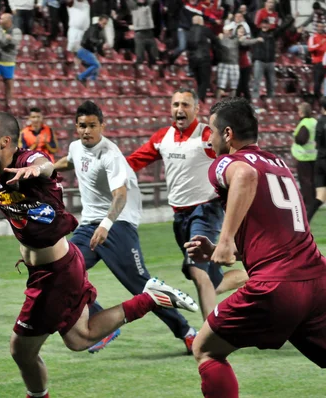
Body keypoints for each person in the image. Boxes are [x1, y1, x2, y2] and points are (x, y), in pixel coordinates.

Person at [0, 111, 199, 398]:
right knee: (80, 338)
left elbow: (45, 164)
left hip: (55, 275)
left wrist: (37, 169)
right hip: (56, 266)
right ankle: (150, 298)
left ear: (5, 141)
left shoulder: (27, 161)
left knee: (21, 350)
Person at [185, 97, 326, 398]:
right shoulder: (278, 163)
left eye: (211, 130)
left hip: (276, 287)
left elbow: (245, 176)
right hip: (317, 280)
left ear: (227, 134)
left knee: (205, 348)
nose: (208, 138)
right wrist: (220, 248)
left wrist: (224, 241)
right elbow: (272, 229)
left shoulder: (226, 163)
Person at [54, 100, 197, 354]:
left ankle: (186, 332)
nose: (87, 131)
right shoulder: (76, 147)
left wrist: (106, 225)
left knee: (142, 287)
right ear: (76, 127)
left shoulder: (111, 154)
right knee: (61, 271)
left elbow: (119, 195)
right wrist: (44, 170)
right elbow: (69, 161)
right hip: (89, 225)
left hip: (117, 223)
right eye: (82, 126)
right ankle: (102, 326)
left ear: (102, 126)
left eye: (92, 126)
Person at [127, 88, 248, 320]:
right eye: (175, 105)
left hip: (206, 210)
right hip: (179, 216)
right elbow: (133, 162)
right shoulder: (162, 137)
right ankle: (250, 276)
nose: (179, 109)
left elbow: (234, 156)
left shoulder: (206, 136)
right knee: (211, 279)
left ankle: (211, 335)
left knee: (196, 269)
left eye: (185, 105)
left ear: (196, 109)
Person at [0, 13, 23, 101]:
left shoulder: (16, 30)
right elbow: (2, 42)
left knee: (9, 85)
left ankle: (9, 105)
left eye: (3, 19)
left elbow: (16, 42)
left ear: (9, 20)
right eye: (0, 19)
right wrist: (8, 38)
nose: (0, 21)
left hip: (9, 61)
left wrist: (10, 39)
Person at [291, 102, 317, 210]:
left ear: (301, 112)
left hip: (304, 157)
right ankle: (314, 199)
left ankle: (308, 202)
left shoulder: (304, 124)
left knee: (305, 180)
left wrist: (295, 136)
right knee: (313, 179)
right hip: (314, 155)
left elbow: (301, 140)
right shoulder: (314, 121)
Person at [76, 14, 110, 83]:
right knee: (96, 65)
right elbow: (91, 39)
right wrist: (100, 43)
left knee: (96, 69)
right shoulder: (93, 28)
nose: (104, 25)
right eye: (103, 23)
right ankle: (80, 77)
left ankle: (92, 84)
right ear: (99, 21)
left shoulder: (101, 32)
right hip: (84, 50)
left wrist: (104, 54)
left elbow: (99, 47)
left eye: (105, 24)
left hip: (90, 52)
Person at [308, 96, 326, 222]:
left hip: (319, 161)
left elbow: (316, 142)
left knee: (320, 197)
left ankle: (304, 222)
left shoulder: (319, 121)